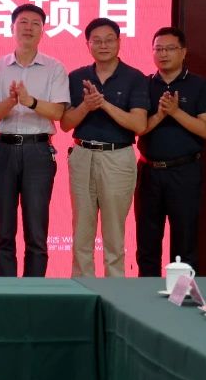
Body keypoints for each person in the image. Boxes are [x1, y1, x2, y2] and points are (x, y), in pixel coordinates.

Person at [0, 4, 69, 278]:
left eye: (36, 23)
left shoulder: (54, 68)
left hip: (38, 151)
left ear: (43, 30)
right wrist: (12, 100)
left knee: (36, 230)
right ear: (12, 27)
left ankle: (35, 292)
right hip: (3, 149)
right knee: (3, 230)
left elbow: (57, 112)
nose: (29, 28)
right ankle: (5, 292)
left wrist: (29, 100)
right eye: (23, 22)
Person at [60, 17, 148, 278]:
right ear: (87, 44)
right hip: (82, 155)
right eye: (96, 41)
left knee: (114, 233)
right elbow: (65, 124)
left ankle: (115, 291)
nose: (103, 45)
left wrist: (104, 104)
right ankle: (82, 291)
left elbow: (139, 124)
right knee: (81, 231)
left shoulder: (134, 77)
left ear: (119, 42)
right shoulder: (76, 77)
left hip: (118, 157)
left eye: (109, 40)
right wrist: (86, 106)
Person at [136, 27, 206, 277]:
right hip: (149, 171)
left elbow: (205, 130)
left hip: (185, 171)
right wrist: (160, 115)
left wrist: (175, 112)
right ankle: (144, 295)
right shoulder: (144, 85)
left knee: (185, 242)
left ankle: (183, 295)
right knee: (147, 243)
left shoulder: (200, 85)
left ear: (183, 52)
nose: (163, 54)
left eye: (170, 48)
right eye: (158, 49)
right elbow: (138, 128)